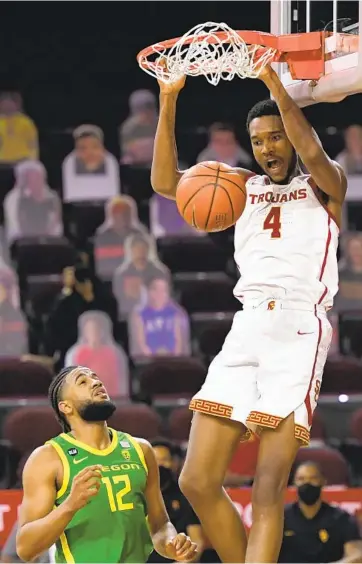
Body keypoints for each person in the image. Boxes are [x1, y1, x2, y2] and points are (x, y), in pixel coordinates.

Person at [151, 62, 346, 563]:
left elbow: (312, 152)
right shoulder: (240, 187)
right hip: (248, 325)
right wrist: (170, 98)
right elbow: (164, 183)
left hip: (299, 328)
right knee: (196, 478)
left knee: (266, 486)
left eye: (276, 138)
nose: (267, 150)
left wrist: (276, 85)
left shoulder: (326, 185)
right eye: (258, 141)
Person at [16, 365, 198, 564]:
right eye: (83, 382)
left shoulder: (141, 449)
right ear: (65, 406)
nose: (96, 382)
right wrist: (70, 505)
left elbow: (159, 524)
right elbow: (26, 549)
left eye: (95, 377)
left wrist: (172, 543)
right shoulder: (48, 458)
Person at [279, 461, 362, 563]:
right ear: (294, 483)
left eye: (313, 478)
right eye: (301, 479)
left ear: (323, 481)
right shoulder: (280, 518)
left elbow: (357, 556)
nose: (307, 483)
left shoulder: (342, 518)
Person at [148, 439, 204, 563]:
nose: (159, 466)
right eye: (154, 461)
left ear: (174, 463)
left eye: (164, 460)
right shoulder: (135, 495)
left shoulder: (186, 495)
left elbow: (197, 541)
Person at [130, 276, 190, 358]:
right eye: (155, 290)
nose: (160, 294)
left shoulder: (177, 314)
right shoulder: (139, 315)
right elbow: (141, 343)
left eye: (164, 290)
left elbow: (179, 342)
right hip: (149, 361)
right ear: (148, 292)